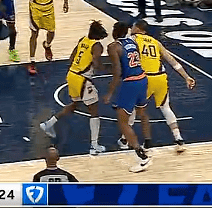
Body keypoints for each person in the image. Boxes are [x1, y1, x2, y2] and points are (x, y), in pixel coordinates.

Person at [125, 19, 196, 151]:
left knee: (132, 106)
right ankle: (178, 138)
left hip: (144, 78)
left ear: (138, 29)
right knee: (165, 107)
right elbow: (173, 62)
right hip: (160, 78)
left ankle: (124, 138)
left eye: (133, 26)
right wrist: (186, 77)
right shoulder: (155, 42)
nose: (131, 29)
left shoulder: (132, 39)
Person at [40, 21, 108, 154]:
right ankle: (94, 145)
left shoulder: (83, 40)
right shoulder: (97, 45)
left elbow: (72, 58)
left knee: (75, 104)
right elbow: (96, 63)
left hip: (72, 75)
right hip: (82, 79)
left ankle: (49, 124)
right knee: (94, 111)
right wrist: (107, 67)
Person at [103, 22, 152, 173]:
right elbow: (131, 63)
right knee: (142, 113)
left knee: (123, 122)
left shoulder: (113, 47)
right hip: (142, 79)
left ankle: (142, 157)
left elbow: (118, 72)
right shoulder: (133, 42)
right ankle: (148, 144)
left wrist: (110, 93)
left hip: (131, 83)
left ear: (115, 32)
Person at [22, 0, 69, 75]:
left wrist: (65, 1)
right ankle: (32, 61)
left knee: (51, 32)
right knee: (34, 34)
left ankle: (47, 45)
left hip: (49, 6)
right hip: (35, 7)